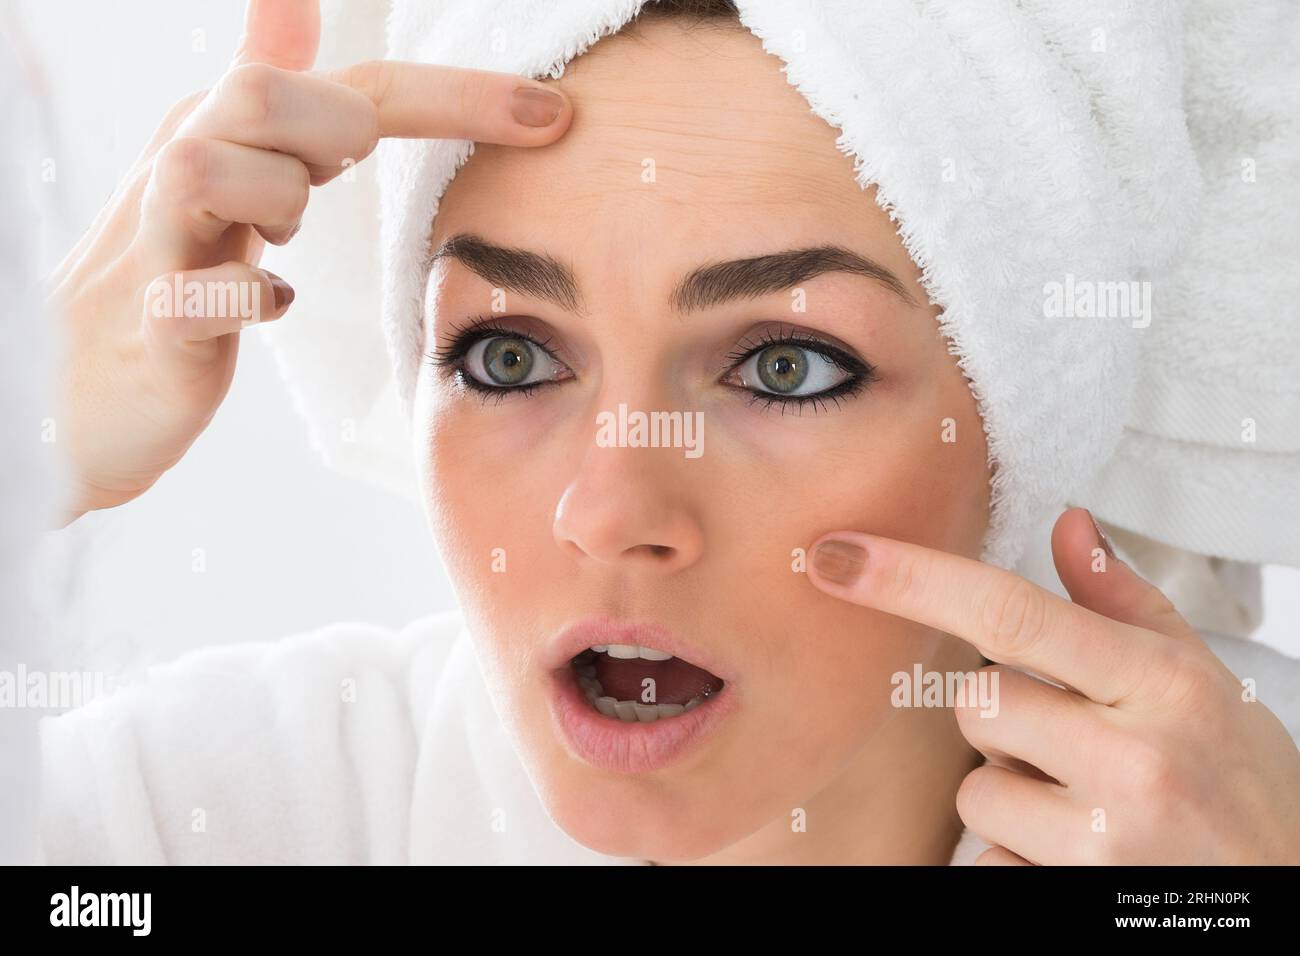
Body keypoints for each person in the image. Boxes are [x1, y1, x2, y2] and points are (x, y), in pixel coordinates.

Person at [37, 0, 1300, 865]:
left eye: (785, 366)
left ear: (1026, 418)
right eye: (509, 354)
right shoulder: (231, 810)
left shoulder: (1249, 820)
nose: (612, 508)